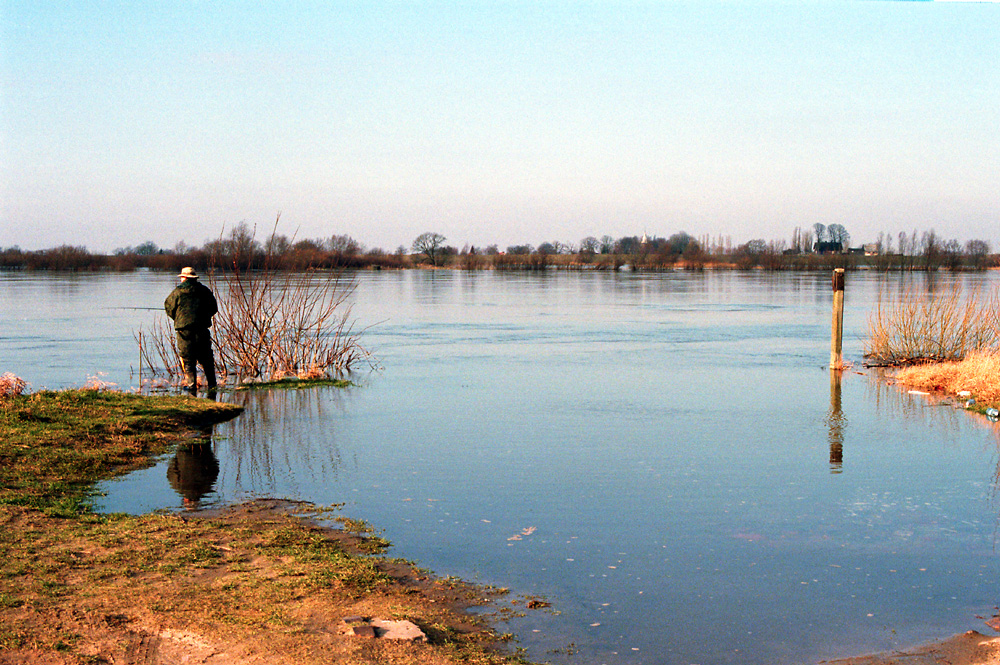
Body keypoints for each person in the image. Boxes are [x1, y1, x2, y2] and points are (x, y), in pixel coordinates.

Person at [164, 267, 218, 395]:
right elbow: (213, 308)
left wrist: (179, 319)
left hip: (184, 331)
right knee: (206, 358)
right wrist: (203, 318)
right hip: (202, 329)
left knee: (188, 359)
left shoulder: (177, 292)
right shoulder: (204, 291)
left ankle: (191, 386)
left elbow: (169, 308)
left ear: (184, 278)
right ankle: (212, 385)